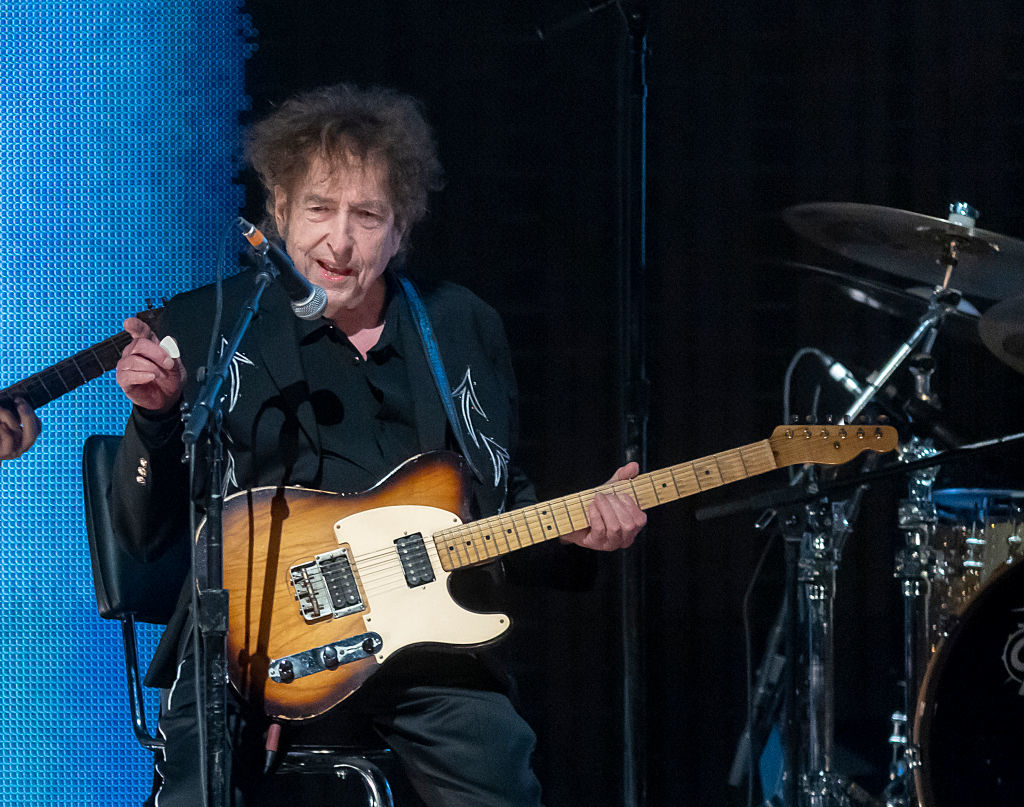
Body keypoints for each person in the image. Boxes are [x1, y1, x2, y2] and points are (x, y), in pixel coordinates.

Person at [111, 83, 646, 806]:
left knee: (498, 773)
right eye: (318, 209)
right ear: (277, 210)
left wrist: (579, 533)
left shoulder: (460, 326)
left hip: (426, 649)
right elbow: (145, 536)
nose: (339, 240)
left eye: (366, 216)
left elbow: (493, 502)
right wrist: (156, 419)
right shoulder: (211, 321)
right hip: (250, 643)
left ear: (400, 230)